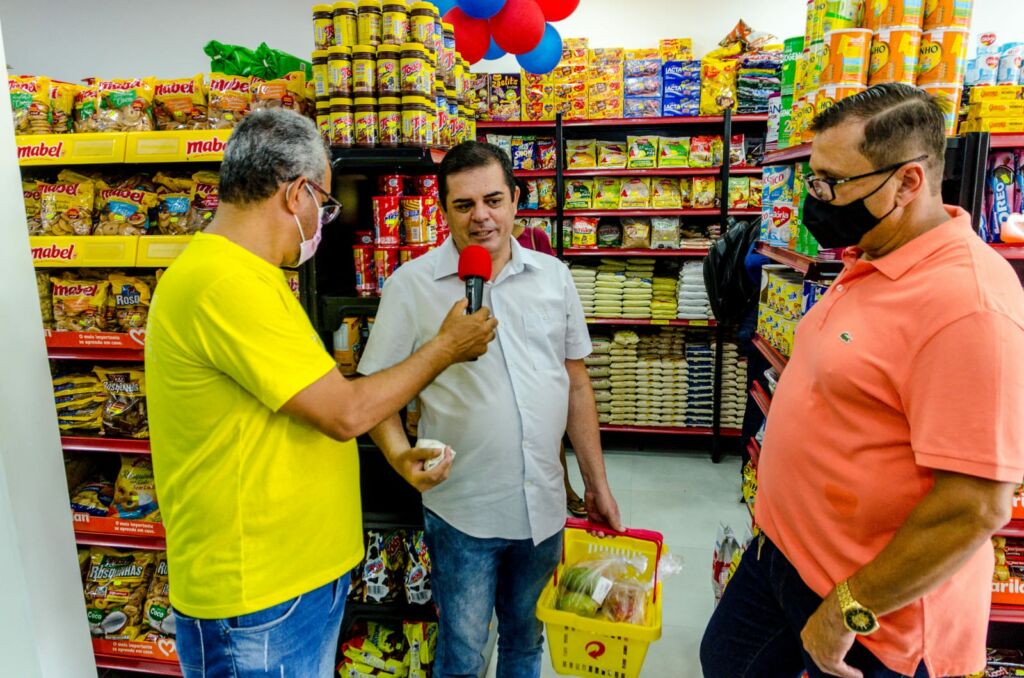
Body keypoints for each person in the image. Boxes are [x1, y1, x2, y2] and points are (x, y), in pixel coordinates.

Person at [145, 110, 497, 678]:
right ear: (296, 194)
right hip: (258, 600)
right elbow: (345, 412)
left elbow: (316, 399)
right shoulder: (225, 283)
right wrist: (445, 347)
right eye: (326, 205)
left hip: (287, 586)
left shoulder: (249, 276)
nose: (323, 222)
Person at [701, 83, 1024, 677]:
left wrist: (850, 608)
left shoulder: (969, 306)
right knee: (724, 661)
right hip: (785, 558)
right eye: (814, 178)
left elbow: (976, 506)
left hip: (871, 617)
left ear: (907, 183)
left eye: (833, 182)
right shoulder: (875, 254)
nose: (816, 199)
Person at [359, 141, 623, 677]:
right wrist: (400, 457)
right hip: (463, 512)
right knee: (462, 652)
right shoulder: (412, 285)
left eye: (493, 200)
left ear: (516, 201)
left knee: (526, 642)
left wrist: (595, 483)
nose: (481, 216)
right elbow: (375, 391)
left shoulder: (553, 277)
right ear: (443, 210)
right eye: (464, 205)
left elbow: (575, 384)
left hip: (543, 507)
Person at [511, 215, 587, 518]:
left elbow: (549, 285)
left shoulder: (535, 237)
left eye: (495, 200)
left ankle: (564, 490)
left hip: (538, 344)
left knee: (549, 429)